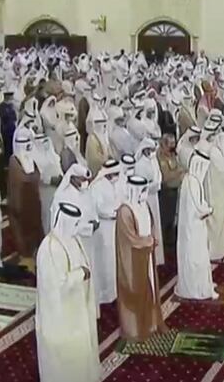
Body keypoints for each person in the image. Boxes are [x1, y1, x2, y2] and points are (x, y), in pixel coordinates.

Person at [35, 202, 101, 382]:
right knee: (64, 360)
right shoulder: (49, 248)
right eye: (74, 224)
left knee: (80, 352)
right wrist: (81, 274)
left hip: (78, 307)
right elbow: (57, 284)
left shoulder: (73, 239)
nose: (76, 228)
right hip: (59, 316)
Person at [115, 175, 168, 341]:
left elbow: (150, 225)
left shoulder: (143, 205)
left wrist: (151, 240)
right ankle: (135, 329)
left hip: (146, 255)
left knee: (150, 287)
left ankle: (150, 323)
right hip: (132, 259)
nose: (144, 193)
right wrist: (149, 241)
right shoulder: (125, 210)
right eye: (142, 190)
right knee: (135, 289)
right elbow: (131, 237)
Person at [176, 150, 218, 300]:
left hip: (195, 228)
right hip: (193, 229)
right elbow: (199, 209)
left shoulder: (192, 180)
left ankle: (202, 284)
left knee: (199, 257)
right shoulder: (192, 182)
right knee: (195, 259)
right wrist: (210, 210)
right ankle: (196, 288)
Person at [7, 132, 43, 272]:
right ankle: (25, 256)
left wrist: (32, 178)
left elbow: (37, 174)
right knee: (22, 230)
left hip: (33, 199)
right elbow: (20, 179)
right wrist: (31, 178)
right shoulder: (14, 160)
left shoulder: (30, 159)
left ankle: (34, 254)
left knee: (35, 226)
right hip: (20, 201)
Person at [90, 159, 121, 305]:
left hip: (115, 226)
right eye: (113, 174)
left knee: (114, 259)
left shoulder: (116, 182)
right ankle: (105, 293)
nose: (116, 176)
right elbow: (99, 208)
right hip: (104, 228)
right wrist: (113, 213)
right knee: (105, 260)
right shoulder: (98, 186)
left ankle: (115, 291)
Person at [206, 123, 224, 260]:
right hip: (216, 193)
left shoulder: (218, 150)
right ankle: (217, 249)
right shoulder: (215, 152)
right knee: (218, 220)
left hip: (222, 191)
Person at [134, 138, 166, 265]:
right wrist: (154, 184)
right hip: (146, 198)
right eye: (151, 150)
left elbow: (158, 175)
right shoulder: (140, 164)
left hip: (155, 197)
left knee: (156, 224)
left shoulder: (153, 160)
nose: (153, 153)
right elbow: (142, 185)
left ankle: (158, 258)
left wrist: (157, 183)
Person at [157, 133, 183, 253]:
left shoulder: (173, 155)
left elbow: (180, 167)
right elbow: (166, 177)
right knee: (166, 219)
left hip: (175, 190)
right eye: (171, 144)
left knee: (173, 219)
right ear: (164, 145)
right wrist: (178, 172)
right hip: (166, 193)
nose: (173, 147)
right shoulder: (161, 158)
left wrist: (178, 171)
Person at [32, 133, 63, 232]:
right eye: (43, 142)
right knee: (47, 216)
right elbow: (38, 175)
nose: (45, 144)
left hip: (57, 189)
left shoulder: (52, 153)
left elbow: (58, 166)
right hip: (45, 191)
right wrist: (50, 180)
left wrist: (61, 177)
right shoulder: (35, 157)